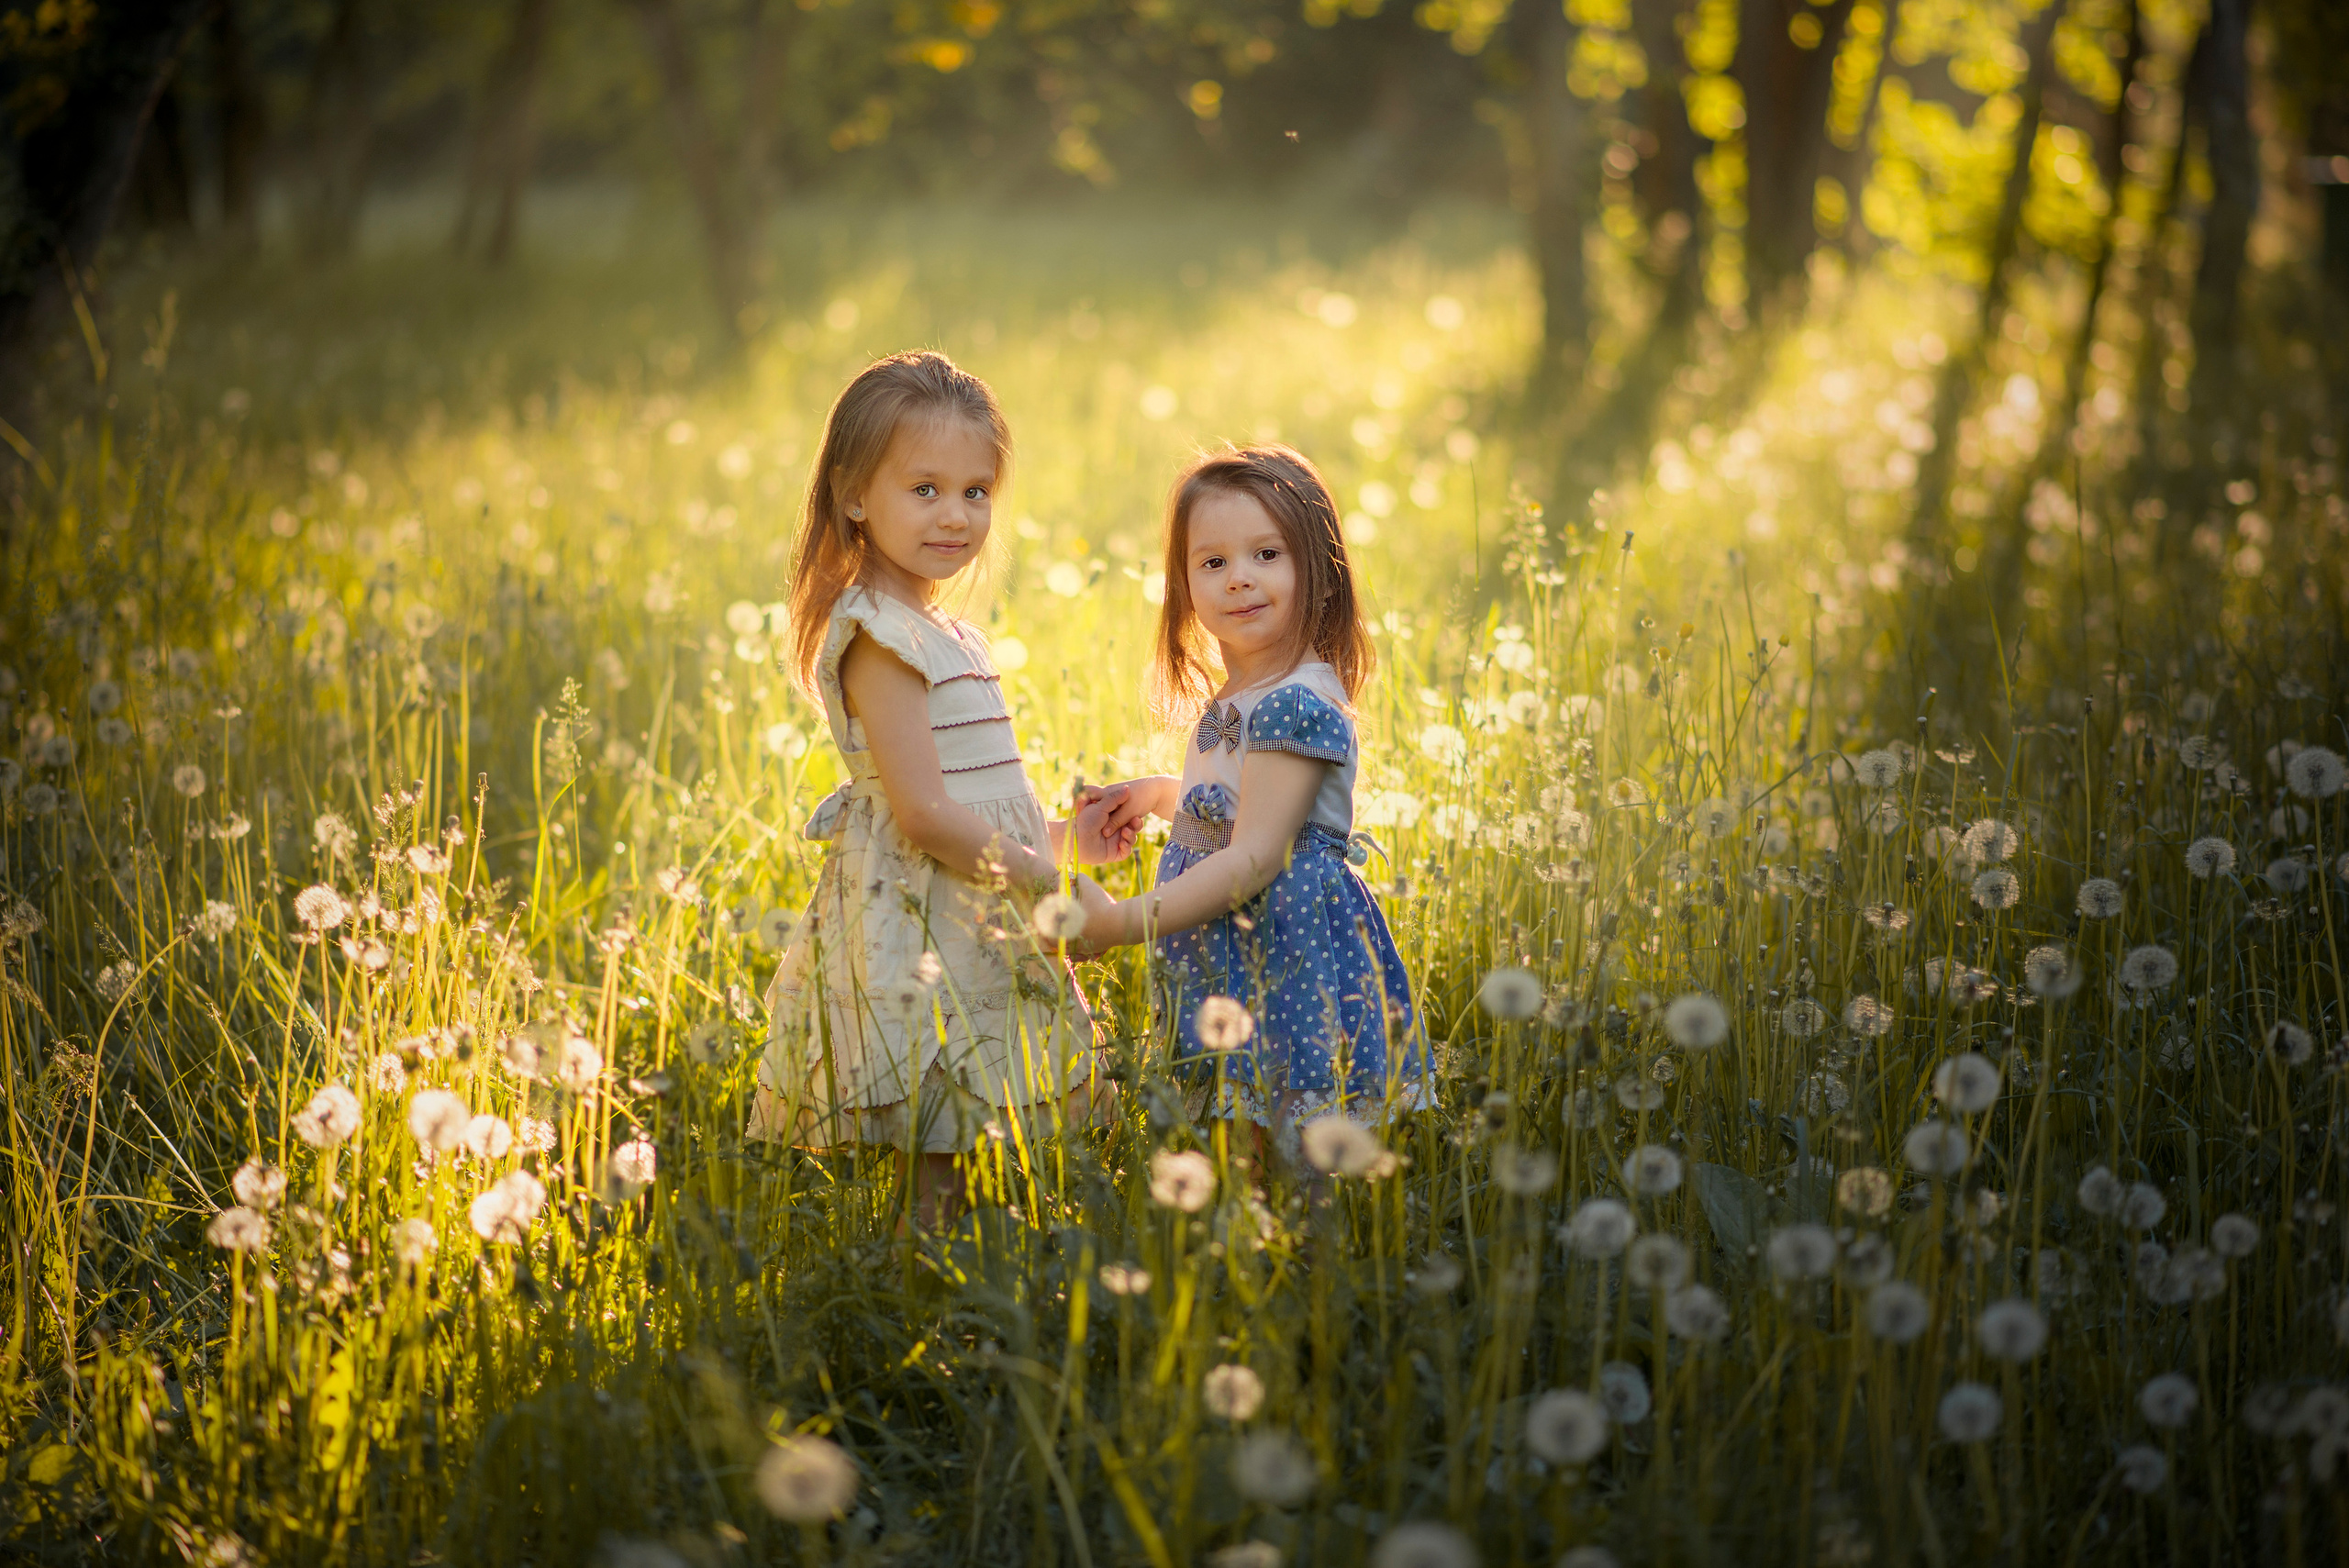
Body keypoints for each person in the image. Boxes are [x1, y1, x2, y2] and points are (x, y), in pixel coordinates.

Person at [748, 350, 1124, 1229]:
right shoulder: (880, 635)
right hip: (924, 913)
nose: (956, 515)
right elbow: (920, 812)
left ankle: (964, 1291)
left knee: (974, 1126)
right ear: (853, 495)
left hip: (974, 895)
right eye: (924, 490)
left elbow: (982, 803)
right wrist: (1043, 881)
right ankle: (922, 1311)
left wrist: (1067, 838)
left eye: (976, 491)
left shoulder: (946, 629)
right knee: (939, 1129)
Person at [1075, 443, 1427, 1149]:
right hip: (1233, 936)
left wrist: (1121, 924)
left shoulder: (1296, 703)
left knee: (1279, 1117)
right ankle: (1249, 1238)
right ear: (1183, 584)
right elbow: (1245, 806)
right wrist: (1160, 795)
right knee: (1240, 1123)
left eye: (1267, 555)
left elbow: (1257, 855)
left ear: (1318, 569)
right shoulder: (1247, 693)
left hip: (1277, 940)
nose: (1239, 579)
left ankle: (1294, 1246)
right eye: (1213, 562)